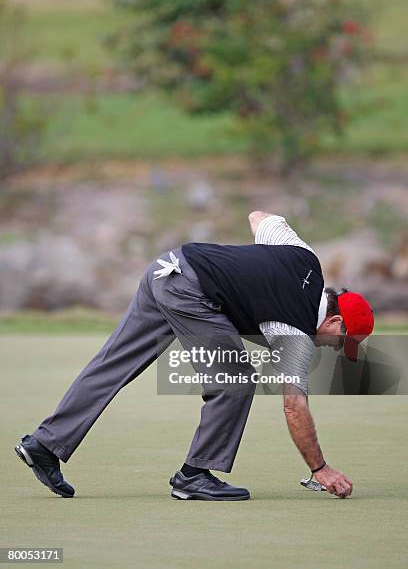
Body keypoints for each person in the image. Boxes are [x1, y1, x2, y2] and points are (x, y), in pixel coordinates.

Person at [15, 212, 374, 501]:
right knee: (236, 380)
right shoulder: (295, 332)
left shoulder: (304, 257)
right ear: (336, 319)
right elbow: (294, 406)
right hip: (191, 290)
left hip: (168, 265)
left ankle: (45, 444)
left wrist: (257, 272)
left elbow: (259, 216)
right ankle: (194, 475)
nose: (335, 348)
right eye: (342, 341)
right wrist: (320, 469)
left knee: (112, 365)